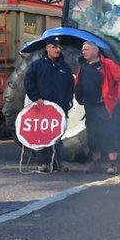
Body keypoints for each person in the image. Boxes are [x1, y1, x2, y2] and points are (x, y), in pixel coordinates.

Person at [75, 41, 120, 175]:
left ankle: (112, 164)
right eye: (83, 50)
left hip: (104, 106)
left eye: (87, 49)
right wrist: (79, 97)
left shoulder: (107, 64)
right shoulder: (83, 67)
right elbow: (78, 83)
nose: (83, 52)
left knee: (109, 134)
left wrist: (117, 95)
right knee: (93, 135)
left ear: (95, 51)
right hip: (90, 106)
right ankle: (96, 163)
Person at [24, 39, 75, 173]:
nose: (57, 50)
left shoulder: (64, 67)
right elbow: (29, 82)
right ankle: (43, 163)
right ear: (47, 48)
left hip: (60, 108)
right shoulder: (37, 66)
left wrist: (68, 102)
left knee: (58, 135)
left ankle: (59, 163)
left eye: (59, 47)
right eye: (54, 47)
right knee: (43, 135)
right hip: (43, 107)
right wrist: (36, 98)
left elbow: (70, 86)